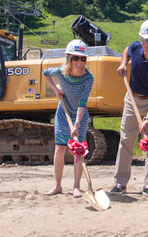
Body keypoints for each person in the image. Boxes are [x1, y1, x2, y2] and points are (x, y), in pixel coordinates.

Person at [110, 19, 148, 198]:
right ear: (141, 40)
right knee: (126, 140)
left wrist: (147, 120)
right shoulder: (135, 48)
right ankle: (120, 182)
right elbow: (126, 51)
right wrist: (123, 63)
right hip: (132, 99)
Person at [43, 39, 94, 198]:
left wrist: (77, 124)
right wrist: (56, 89)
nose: (79, 62)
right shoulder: (60, 72)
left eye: (82, 58)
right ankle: (57, 185)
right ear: (69, 58)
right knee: (60, 149)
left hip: (80, 115)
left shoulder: (88, 78)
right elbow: (45, 73)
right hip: (63, 113)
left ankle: (77, 187)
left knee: (78, 151)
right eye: (75, 58)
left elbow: (82, 102)